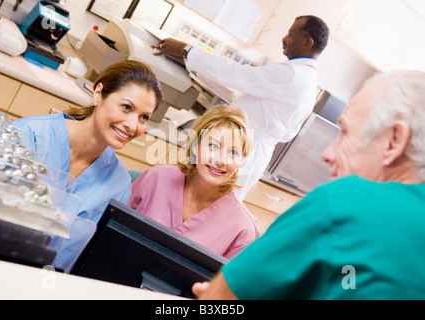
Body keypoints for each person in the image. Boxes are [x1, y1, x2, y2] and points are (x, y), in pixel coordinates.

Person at [192, 70, 425, 299]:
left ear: (394, 141)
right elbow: (352, 282)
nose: (327, 153)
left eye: (345, 133)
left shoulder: (346, 203)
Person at [152, 15, 329, 200]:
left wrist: (186, 50)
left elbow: (236, 74)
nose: (284, 39)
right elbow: (255, 100)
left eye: (291, 34)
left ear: (307, 42)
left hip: (244, 150)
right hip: (248, 149)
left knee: (206, 203)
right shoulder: (307, 79)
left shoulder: (293, 74)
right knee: (202, 201)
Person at [13, 60, 163, 272]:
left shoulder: (119, 185)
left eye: (143, 117)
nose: (132, 125)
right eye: (126, 107)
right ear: (98, 94)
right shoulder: (31, 136)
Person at [129, 106, 259, 259]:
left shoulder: (243, 228)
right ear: (196, 145)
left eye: (233, 152)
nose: (221, 160)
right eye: (213, 146)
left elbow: (228, 281)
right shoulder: (156, 178)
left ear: (241, 159)